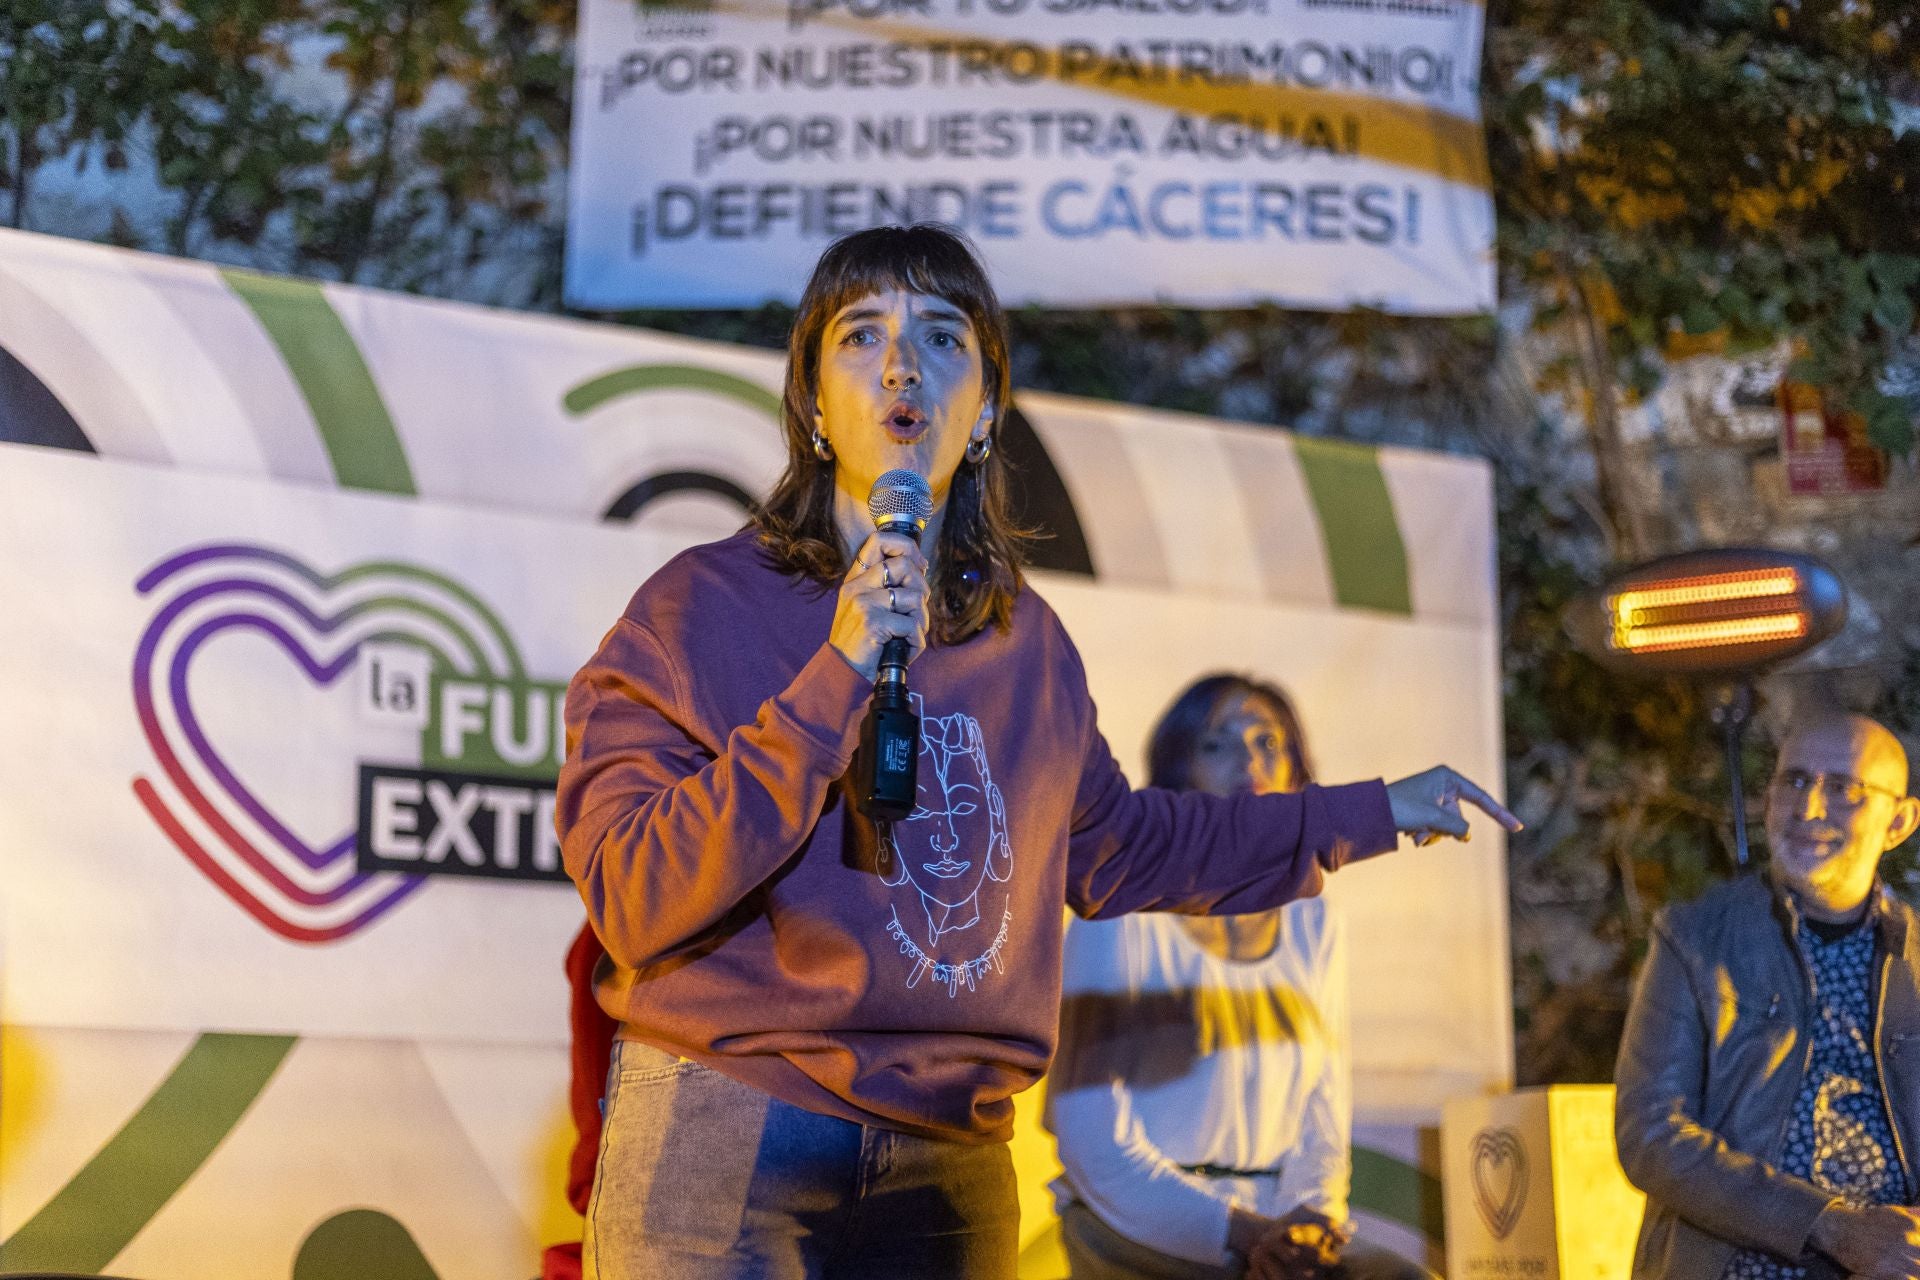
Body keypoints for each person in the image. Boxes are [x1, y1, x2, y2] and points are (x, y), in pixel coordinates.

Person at [556, 223, 1519, 1280]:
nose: (899, 363)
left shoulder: (1028, 642)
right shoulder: (695, 610)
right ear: (813, 407)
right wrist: (835, 674)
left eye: (941, 335)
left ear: (985, 413)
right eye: (860, 334)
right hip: (729, 1123)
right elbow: (636, 894)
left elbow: (1124, 845)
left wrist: (1371, 809)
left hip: (951, 1164)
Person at [1049, 674, 1436, 1280]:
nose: (1248, 760)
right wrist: (1242, 1234)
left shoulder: (1313, 918)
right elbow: (1092, 1141)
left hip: (1277, 1226)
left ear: (1295, 773)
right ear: (1177, 771)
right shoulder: (1116, 910)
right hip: (1142, 1227)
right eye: (1217, 744)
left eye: (1268, 742)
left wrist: (1307, 1221)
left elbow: (1324, 1115)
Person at [1615, 713, 1920, 1280]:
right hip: (1742, 1264)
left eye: (1844, 789)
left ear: (1899, 820)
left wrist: (1897, 1246)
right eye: (1795, 782)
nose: (1809, 810)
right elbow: (1650, 1133)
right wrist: (1828, 1225)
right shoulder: (1696, 938)